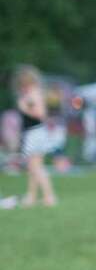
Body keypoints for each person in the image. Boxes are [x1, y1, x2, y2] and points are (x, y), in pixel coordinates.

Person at [13, 65, 59, 207]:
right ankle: (32, 197)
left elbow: (40, 114)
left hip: (34, 132)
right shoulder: (35, 93)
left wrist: (24, 108)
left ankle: (49, 196)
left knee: (35, 168)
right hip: (37, 132)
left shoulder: (33, 94)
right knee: (34, 167)